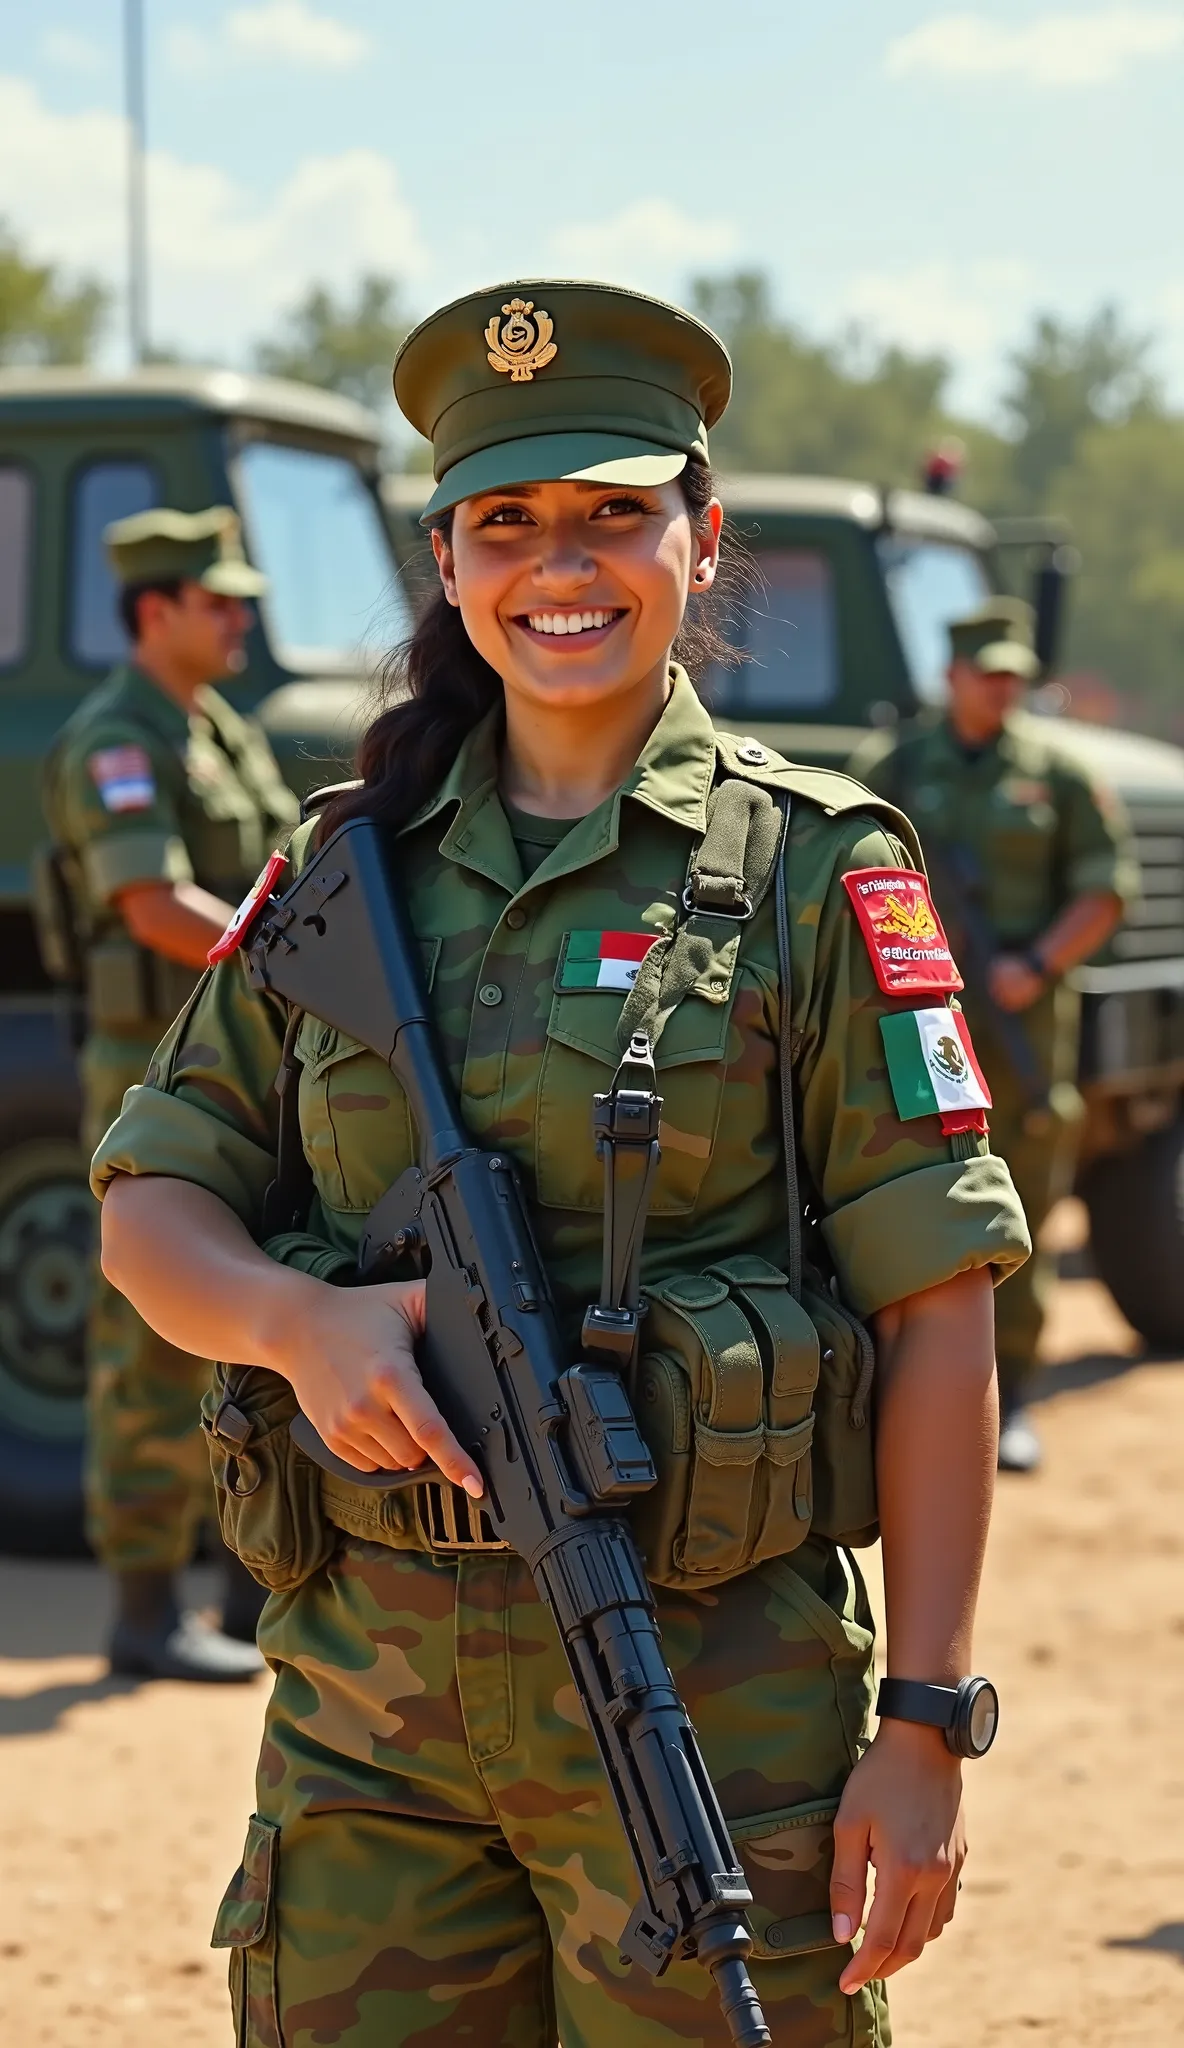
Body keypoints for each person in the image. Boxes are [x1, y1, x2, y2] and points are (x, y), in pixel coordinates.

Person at [93, 282, 1029, 2047]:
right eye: (506, 522)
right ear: (444, 561)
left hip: (707, 1713)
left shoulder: (813, 871)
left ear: (701, 530)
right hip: (367, 1727)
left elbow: (937, 1313)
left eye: (613, 512)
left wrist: (921, 1720)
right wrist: (298, 1324)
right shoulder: (340, 875)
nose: (561, 565)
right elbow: (150, 1200)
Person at [41, 505, 298, 1679]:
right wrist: (286, 962)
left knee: (249, 1311)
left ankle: (243, 1584)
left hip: (226, 1060)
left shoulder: (220, 731)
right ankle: (144, 1607)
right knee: (149, 1329)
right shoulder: (119, 739)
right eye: (218, 599)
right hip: (151, 1064)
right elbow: (155, 904)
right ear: (157, 610)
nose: (239, 616)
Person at [852, 600, 1136, 1473]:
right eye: (989, 673)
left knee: (1024, 1204)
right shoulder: (896, 766)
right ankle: (884, 1398)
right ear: (954, 676)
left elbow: (1105, 888)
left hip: (1020, 1038)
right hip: (915, 1032)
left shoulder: (1057, 774)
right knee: (895, 1202)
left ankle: (1007, 1396)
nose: (1002, 689)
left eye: (1015, 675)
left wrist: (1038, 963)